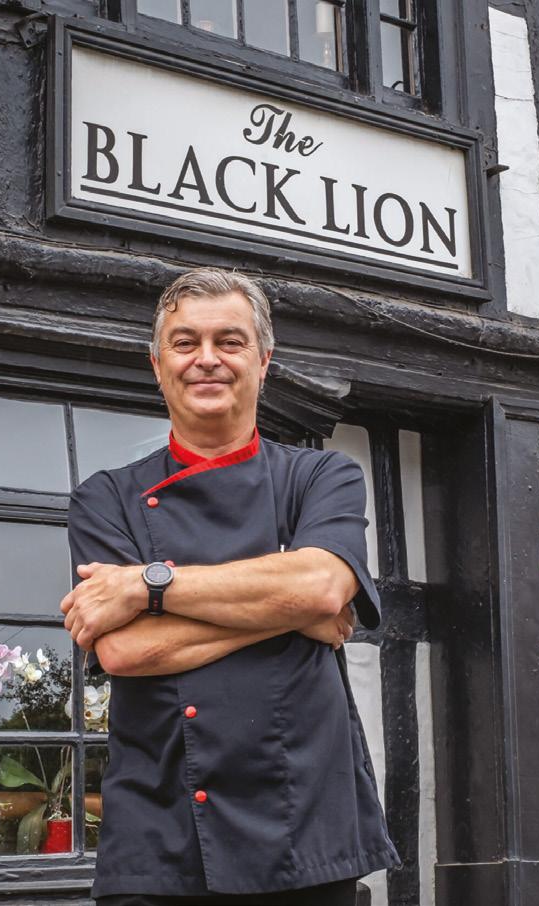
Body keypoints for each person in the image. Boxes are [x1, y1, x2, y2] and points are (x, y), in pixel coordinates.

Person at [61, 268, 400, 905]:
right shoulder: (106, 498)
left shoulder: (322, 476)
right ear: (158, 364)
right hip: (161, 827)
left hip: (304, 820)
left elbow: (322, 589)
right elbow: (126, 650)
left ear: (263, 361)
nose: (207, 359)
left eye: (230, 341)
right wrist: (289, 608)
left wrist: (147, 585)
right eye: (185, 343)